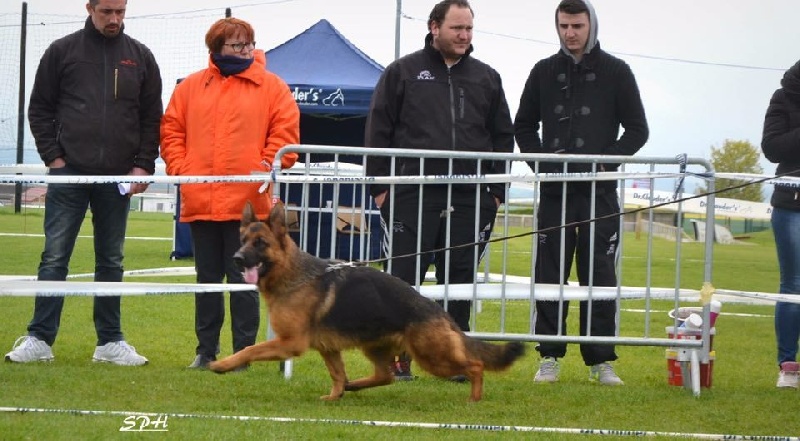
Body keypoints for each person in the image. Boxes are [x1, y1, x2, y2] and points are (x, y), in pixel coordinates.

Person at [4, 0, 162, 366]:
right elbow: (39, 108)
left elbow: (152, 116)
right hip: (69, 174)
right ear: (90, 7)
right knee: (54, 257)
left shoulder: (140, 56)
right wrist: (55, 160)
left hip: (117, 178)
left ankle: (109, 342)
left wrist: (142, 164)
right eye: (107, 11)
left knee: (111, 259)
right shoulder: (62, 51)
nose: (114, 19)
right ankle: (39, 339)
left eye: (120, 11)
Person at [365, 0, 515, 381]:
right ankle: (397, 358)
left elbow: (502, 137)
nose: (464, 36)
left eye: (469, 29)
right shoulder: (402, 72)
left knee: (459, 278)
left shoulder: (487, 77)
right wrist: (380, 189)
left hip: (470, 195)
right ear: (435, 27)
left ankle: (454, 359)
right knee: (402, 279)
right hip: (411, 192)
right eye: (456, 29)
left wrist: (495, 191)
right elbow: (378, 130)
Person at [513, 0, 648, 385]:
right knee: (549, 273)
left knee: (600, 275)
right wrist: (543, 165)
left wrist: (606, 162)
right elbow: (523, 126)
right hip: (555, 193)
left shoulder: (617, 71)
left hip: (599, 193)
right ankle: (549, 356)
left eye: (576, 25)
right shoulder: (542, 71)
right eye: (563, 25)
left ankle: (600, 360)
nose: (569, 33)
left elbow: (637, 130)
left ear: (592, 25)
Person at [160, 17, 300, 370]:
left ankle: (242, 354)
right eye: (237, 46)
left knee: (244, 281)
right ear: (216, 49)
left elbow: (286, 135)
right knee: (206, 281)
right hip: (200, 201)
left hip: (248, 205)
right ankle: (205, 351)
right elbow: (171, 131)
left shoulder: (273, 87)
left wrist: (267, 164)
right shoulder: (189, 87)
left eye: (249, 44)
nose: (246, 51)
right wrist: (181, 168)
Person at [761, 59, 800, 389]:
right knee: (794, 285)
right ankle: (788, 366)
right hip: (792, 206)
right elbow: (772, 148)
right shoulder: (784, 96)